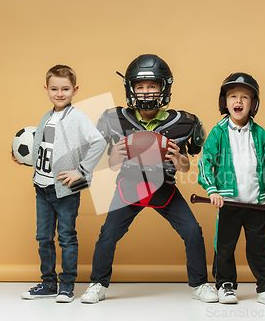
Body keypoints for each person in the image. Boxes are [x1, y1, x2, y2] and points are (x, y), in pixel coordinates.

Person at [80, 54, 218, 304]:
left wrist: (178, 159)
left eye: (152, 86)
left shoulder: (183, 123)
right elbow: (110, 167)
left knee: (193, 232)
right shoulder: (114, 119)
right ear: (130, 88)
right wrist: (116, 157)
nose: (145, 92)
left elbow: (186, 167)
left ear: (164, 88)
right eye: (139, 87)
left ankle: (199, 284)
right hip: (129, 187)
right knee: (108, 233)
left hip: (163, 188)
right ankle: (97, 283)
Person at [12, 65, 106, 303]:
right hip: (42, 188)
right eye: (54, 88)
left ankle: (66, 286)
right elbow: (48, 151)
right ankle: (48, 283)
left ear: (75, 90)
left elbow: (98, 142)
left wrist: (81, 171)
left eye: (65, 89)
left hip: (64, 190)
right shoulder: (47, 117)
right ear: (46, 89)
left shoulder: (77, 117)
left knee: (66, 237)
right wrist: (27, 160)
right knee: (43, 237)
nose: (59, 93)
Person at [197, 73, 265, 305]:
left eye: (245, 97)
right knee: (225, 247)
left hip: (256, 204)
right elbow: (205, 161)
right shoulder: (218, 133)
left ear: (253, 104)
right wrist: (212, 190)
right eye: (233, 96)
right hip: (229, 203)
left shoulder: (261, 135)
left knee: (259, 249)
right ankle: (225, 285)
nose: (239, 101)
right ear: (224, 102)